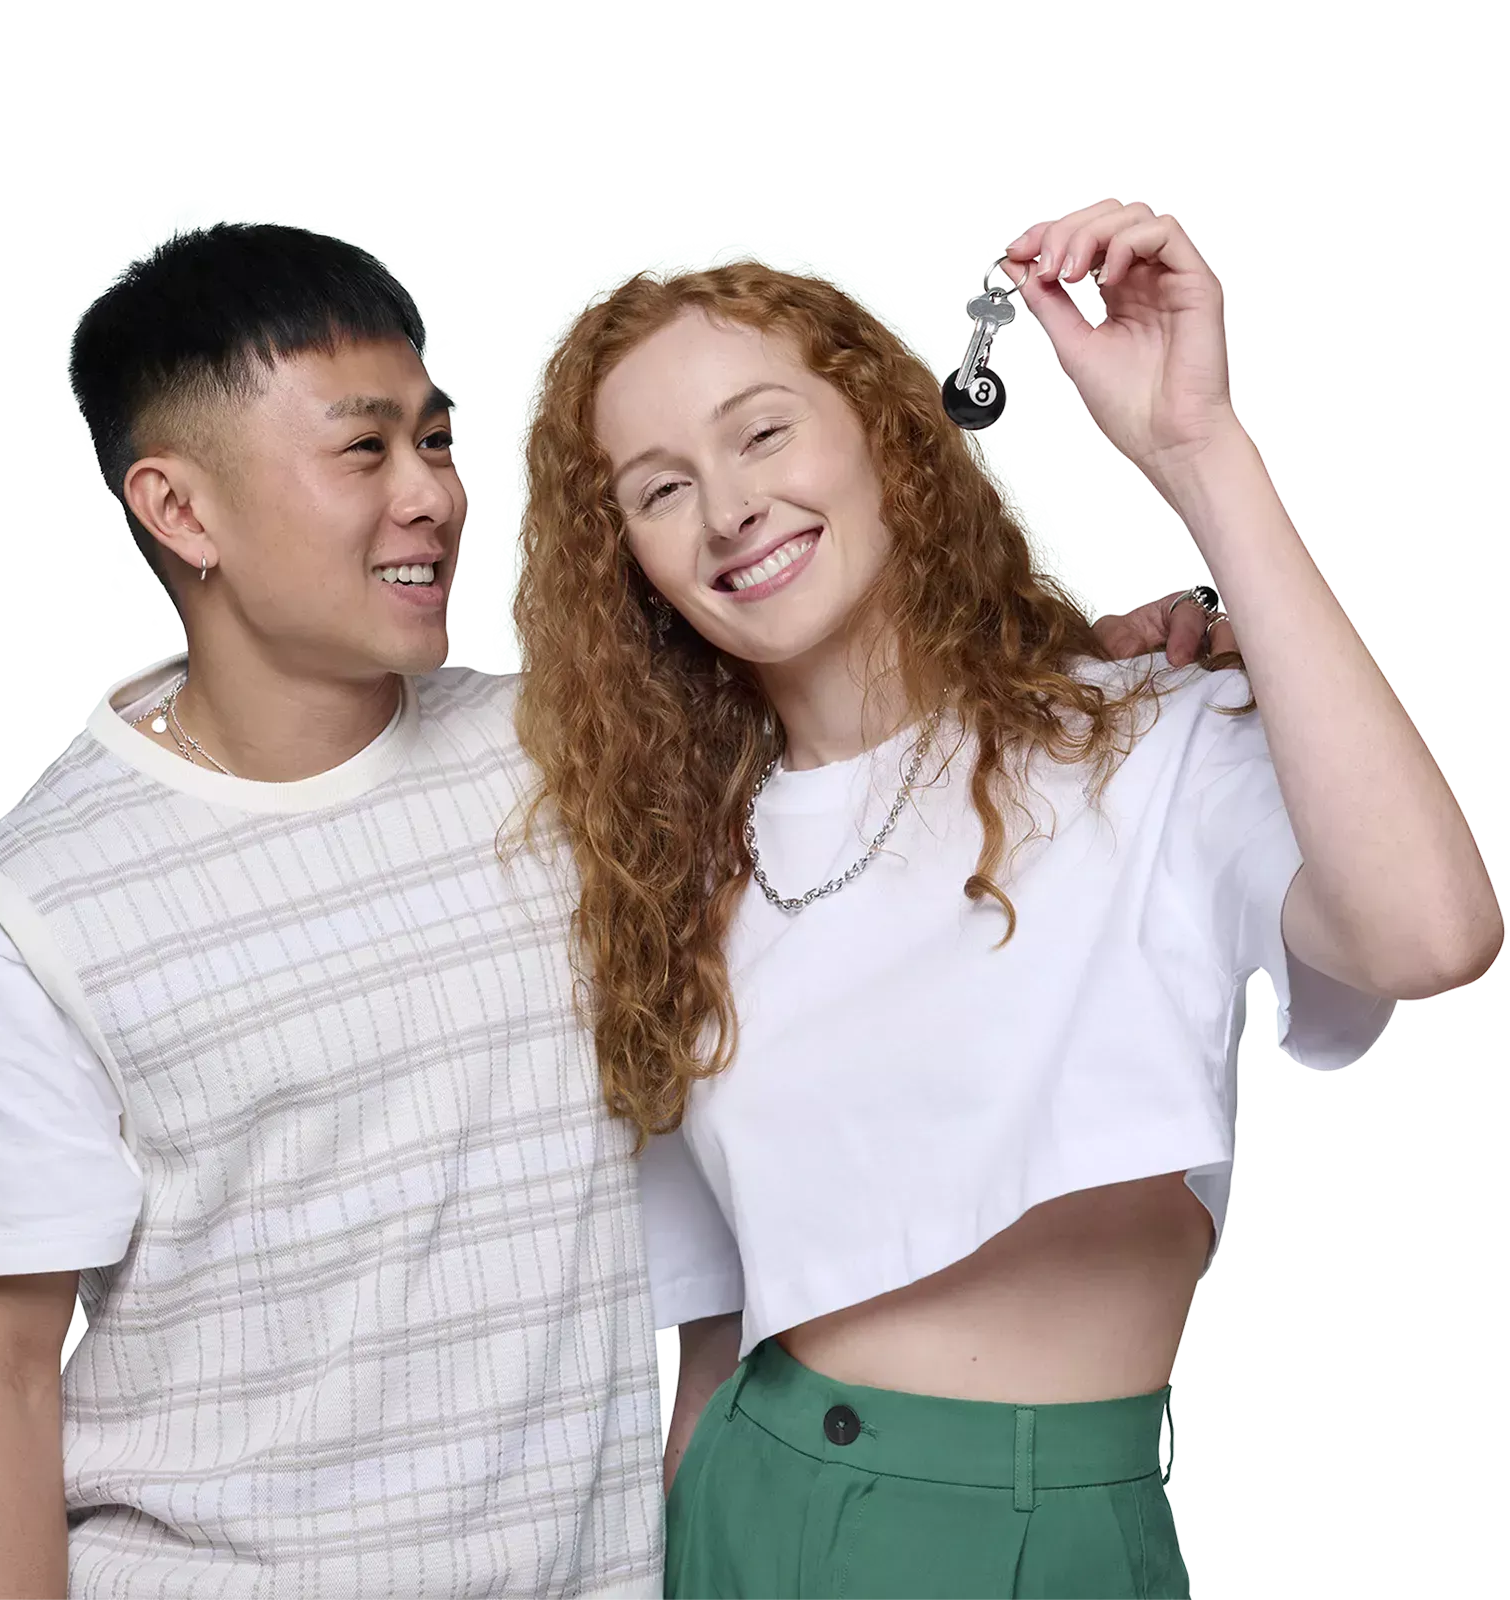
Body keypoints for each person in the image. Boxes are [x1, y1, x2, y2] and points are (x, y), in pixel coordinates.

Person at [501, 221, 1501, 1596]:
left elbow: (1431, 937)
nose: (728, 508)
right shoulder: (676, 865)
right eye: (659, 489)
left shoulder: (1144, 738)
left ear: (887, 432)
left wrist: (1200, 453)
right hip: (747, 1506)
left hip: (1041, 1526)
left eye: (764, 433)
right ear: (631, 564)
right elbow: (726, 1330)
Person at [0, 219, 668, 1598]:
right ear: (181, 511)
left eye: (434, 442)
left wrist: (1110, 647)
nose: (433, 496)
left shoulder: (562, 754)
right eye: (363, 449)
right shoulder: (29, 910)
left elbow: (857, 729)